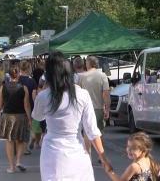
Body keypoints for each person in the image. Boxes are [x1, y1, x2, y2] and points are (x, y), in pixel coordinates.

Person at [32, 51, 111, 181]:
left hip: (52, 152)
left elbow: (37, 116)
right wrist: (103, 158)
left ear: (49, 74)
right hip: (77, 151)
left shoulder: (44, 96)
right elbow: (92, 131)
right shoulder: (82, 95)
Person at [0, 67, 31, 174]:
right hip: (20, 116)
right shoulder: (23, 88)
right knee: (21, 140)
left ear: (9, 75)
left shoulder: (3, 87)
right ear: (18, 74)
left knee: (9, 141)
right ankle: (19, 161)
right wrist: (29, 118)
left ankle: (11, 166)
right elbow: (27, 105)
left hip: (7, 116)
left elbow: (0, 103)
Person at [77, 55, 110, 154]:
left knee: (87, 133)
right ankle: (101, 153)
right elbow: (106, 93)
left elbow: (77, 92)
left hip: (84, 109)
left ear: (89, 64)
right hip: (98, 108)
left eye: (86, 62)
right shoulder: (103, 76)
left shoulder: (81, 76)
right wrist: (107, 109)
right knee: (98, 132)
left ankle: (88, 154)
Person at [18, 61, 37, 155]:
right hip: (30, 105)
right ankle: (27, 145)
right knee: (28, 126)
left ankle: (19, 147)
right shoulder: (32, 81)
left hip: (18, 105)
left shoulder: (17, 79)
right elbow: (34, 96)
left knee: (19, 127)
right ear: (29, 68)